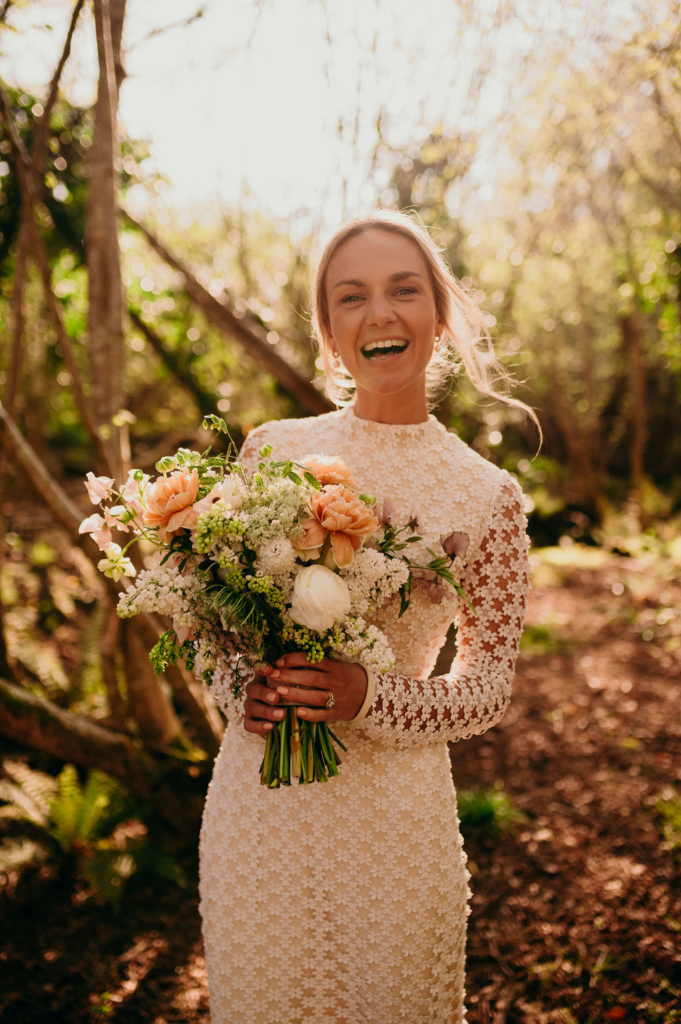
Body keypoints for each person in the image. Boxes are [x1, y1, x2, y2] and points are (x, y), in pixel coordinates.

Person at [197, 209, 533, 1024]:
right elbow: (211, 634)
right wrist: (235, 690)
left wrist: (367, 697)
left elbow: (486, 690)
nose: (378, 313)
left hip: (397, 828)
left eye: (402, 289)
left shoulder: (488, 495)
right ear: (328, 331)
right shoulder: (271, 448)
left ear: (438, 314)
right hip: (260, 812)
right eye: (351, 297)